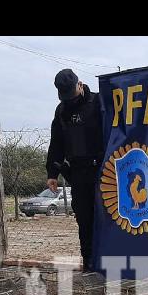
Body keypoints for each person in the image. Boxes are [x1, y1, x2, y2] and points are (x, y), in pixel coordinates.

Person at [45, 69, 104, 273]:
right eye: (64, 97)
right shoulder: (61, 111)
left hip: (102, 171)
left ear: (80, 85)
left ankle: (110, 263)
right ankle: (89, 264)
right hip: (78, 173)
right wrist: (52, 173)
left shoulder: (99, 102)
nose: (69, 100)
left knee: (106, 217)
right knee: (84, 220)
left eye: (71, 94)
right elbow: (56, 143)